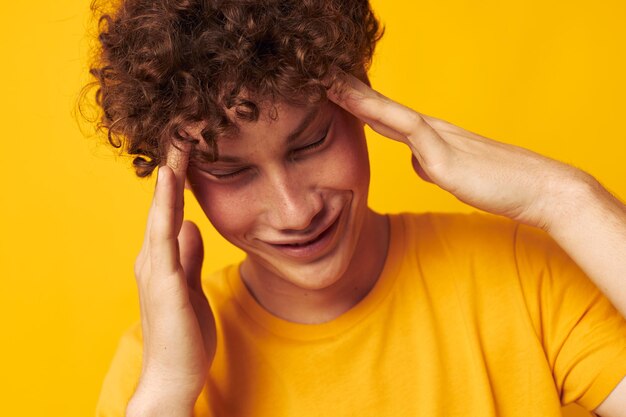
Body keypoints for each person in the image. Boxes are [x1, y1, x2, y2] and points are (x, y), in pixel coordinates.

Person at [87, 0, 626, 416]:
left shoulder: (523, 274)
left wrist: (564, 198)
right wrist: (166, 394)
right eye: (231, 172)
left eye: (311, 144)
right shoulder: (154, 369)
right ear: (180, 186)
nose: (295, 211)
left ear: (362, 109)